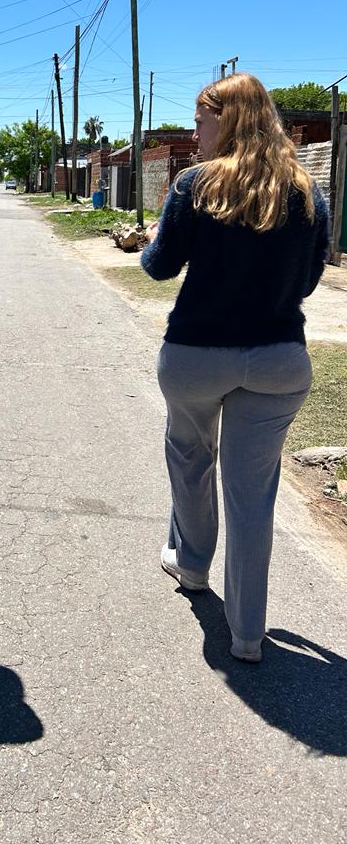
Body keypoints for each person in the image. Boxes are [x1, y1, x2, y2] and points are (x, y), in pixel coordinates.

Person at [141, 73, 330, 663]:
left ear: (229, 120)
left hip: (197, 357)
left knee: (192, 459)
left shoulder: (193, 184)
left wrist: (149, 239)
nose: (195, 133)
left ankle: (193, 566)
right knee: (253, 494)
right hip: (278, 360)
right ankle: (248, 632)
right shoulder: (306, 191)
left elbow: (159, 268)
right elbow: (306, 281)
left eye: (201, 120)